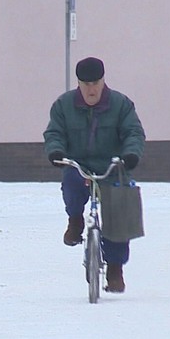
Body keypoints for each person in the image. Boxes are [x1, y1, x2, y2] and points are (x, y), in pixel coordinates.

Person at [43, 56, 146, 293]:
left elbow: (133, 133)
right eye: (85, 84)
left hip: (112, 166)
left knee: (120, 204)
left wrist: (130, 155)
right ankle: (75, 220)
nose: (91, 89)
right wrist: (56, 152)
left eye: (95, 83)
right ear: (78, 83)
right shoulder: (64, 105)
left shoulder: (121, 104)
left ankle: (115, 269)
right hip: (78, 164)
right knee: (71, 183)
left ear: (103, 81)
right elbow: (54, 133)